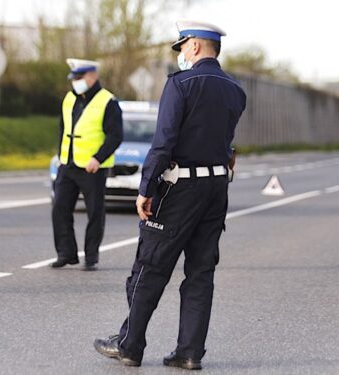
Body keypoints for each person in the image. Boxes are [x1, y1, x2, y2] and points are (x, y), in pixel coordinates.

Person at [93, 20, 247, 369]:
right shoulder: (235, 90)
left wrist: (146, 188)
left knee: (151, 267)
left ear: (194, 46)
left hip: (179, 188)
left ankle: (130, 345)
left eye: (182, 47)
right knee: (201, 271)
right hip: (216, 187)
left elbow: (163, 142)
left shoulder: (181, 84)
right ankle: (189, 352)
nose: (180, 54)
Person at [51, 58, 123, 272]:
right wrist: (60, 156)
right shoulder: (69, 99)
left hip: (93, 168)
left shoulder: (107, 101)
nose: (75, 82)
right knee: (60, 209)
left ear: (92, 76)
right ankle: (65, 253)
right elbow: (63, 130)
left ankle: (91, 257)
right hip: (68, 164)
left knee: (94, 212)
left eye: (79, 77)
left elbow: (115, 136)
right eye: (74, 78)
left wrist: (98, 158)